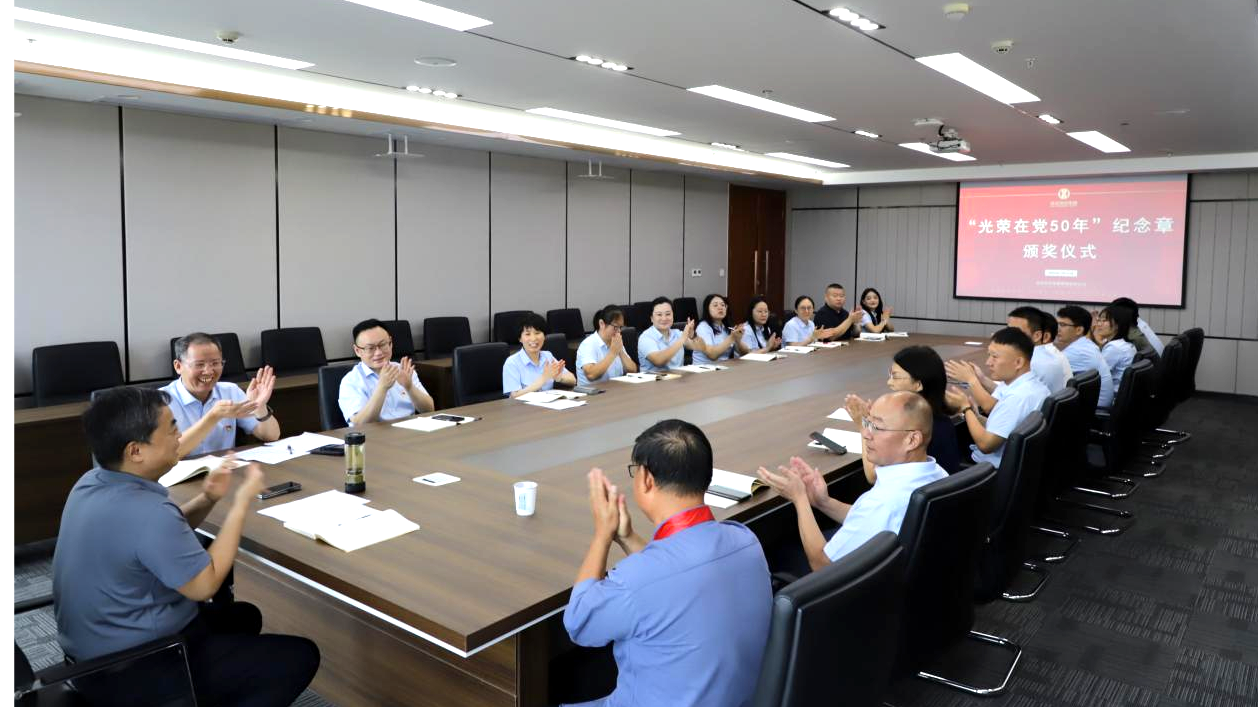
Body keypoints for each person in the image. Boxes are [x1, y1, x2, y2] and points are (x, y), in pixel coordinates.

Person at [53, 387, 319, 707]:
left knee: (245, 617)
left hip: (92, 654)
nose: (180, 435)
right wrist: (240, 503)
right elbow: (205, 584)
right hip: (135, 667)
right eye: (171, 429)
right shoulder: (148, 512)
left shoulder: (91, 482)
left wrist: (208, 498)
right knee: (300, 656)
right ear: (135, 451)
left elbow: (159, 536)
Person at [564, 419, 771, 707]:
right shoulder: (746, 540)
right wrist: (627, 537)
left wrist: (602, 534)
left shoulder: (633, 581)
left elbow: (579, 623)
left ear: (646, 479)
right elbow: (673, 574)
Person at [757, 392, 946, 572]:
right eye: (867, 423)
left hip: (865, 589)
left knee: (775, 553)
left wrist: (800, 500)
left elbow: (823, 565)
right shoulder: (938, 473)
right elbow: (873, 521)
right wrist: (824, 502)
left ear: (912, 440)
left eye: (877, 427)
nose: (866, 434)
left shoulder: (884, 501)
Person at [843, 346, 963, 475]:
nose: (889, 382)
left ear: (918, 385)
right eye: (890, 374)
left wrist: (864, 424)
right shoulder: (941, 419)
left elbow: (873, 475)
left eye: (896, 377)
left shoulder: (914, 430)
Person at [161, 332, 281, 458]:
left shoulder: (230, 391)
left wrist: (260, 407)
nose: (208, 371)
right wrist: (214, 416)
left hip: (226, 468)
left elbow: (272, 436)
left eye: (215, 363)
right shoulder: (160, 401)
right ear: (178, 366)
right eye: (199, 364)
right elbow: (166, 454)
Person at [944, 327, 1050, 469]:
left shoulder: (1017, 398)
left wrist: (966, 408)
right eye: (989, 355)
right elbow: (1001, 428)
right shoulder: (1034, 387)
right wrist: (976, 416)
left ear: (1018, 363)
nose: (988, 362)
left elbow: (986, 445)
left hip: (991, 469)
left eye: (995, 357)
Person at [339, 318, 434, 426]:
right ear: (358, 351)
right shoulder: (351, 381)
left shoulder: (403, 370)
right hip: (376, 435)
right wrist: (382, 388)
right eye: (370, 348)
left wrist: (409, 387)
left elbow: (429, 409)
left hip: (411, 431)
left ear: (390, 343)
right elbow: (360, 424)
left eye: (383, 344)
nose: (378, 353)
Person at [1055, 305, 1116, 408]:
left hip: (1096, 411)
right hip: (1094, 407)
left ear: (1079, 330)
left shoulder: (1078, 353)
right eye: (1057, 324)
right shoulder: (1085, 345)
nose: (1057, 329)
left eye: (1063, 325)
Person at [503, 312, 576, 397]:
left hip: (548, 403)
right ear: (520, 339)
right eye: (527, 334)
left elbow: (573, 380)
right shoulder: (512, 362)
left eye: (537, 333)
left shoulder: (547, 356)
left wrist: (559, 377)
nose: (533, 338)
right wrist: (543, 379)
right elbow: (514, 396)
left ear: (544, 336)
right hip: (523, 405)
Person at [1006, 306, 1071, 393]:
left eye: (1016, 332)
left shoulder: (1031, 362)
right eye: (1008, 330)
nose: (1007, 335)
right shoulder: (1048, 355)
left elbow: (1004, 397)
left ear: (1037, 336)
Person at [576, 305, 638, 386]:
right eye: (615, 327)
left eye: (620, 327)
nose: (619, 331)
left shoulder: (616, 341)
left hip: (615, 389)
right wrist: (612, 353)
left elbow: (633, 370)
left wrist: (620, 351)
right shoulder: (588, 344)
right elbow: (591, 375)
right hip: (592, 392)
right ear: (602, 324)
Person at [637, 297, 700, 372]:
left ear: (673, 316)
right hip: (654, 378)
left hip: (679, 377)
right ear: (652, 318)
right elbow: (658, 361)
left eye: (668, 314)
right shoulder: (645, 337)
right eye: (659, 315)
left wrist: (692, 336)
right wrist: (682, 339)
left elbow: (698, 346)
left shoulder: (677, 333)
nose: (664, 318)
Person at [1090, 305, 1138, 394]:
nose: (1099, 324)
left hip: (1111, 396)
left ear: (1117, 325)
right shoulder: (1125, 344)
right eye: (1099, 320)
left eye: (1104, 320)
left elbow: (1094, 375)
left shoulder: (1114, 348)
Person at [692, 294, 747, 364]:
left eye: (723, 305)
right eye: (715, 305)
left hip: (723, 367)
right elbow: (712, 355)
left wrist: (738, 340)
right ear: (707, 309)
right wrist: (731, 338)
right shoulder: (703, 327)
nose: (720, 308)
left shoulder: (727, 327)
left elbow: (744, 353)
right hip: (703, 368)